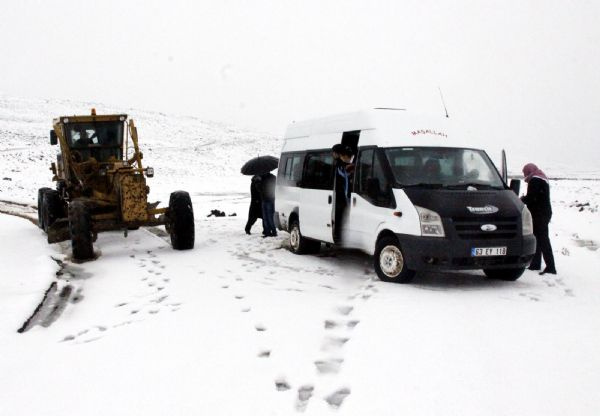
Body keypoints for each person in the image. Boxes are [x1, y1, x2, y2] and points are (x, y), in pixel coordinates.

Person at [521, 163, 557, 275]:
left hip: (539, 214)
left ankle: (550, 267)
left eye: (525, 173)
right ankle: (535, 264)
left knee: (542, 239)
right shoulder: (541, 178)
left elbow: (532, 197)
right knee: (539, 238)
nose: (524, 175)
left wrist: (522, 199)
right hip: (543, 213)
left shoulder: (535, 180)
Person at [332, 144, 354, 242]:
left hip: (348, 196)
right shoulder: (340, 165)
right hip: (344, 196)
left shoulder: (348, 165)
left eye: (334, 153)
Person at [259, 172, 277, 237]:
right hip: (265, 199)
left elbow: (268, 189)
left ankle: (273, 231)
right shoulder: (265, 178)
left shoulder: (270, 178)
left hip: (269, 199)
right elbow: (260, 190)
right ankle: (268, 232)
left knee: (269, 217)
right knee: (266, 217)